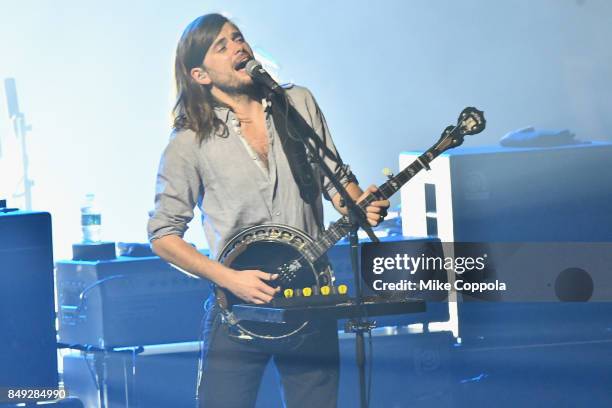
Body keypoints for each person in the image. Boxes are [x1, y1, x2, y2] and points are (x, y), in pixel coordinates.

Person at [147, 13, 390, 408]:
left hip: (311, 296)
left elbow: (335, 182)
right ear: (200, 75)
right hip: (238, 309)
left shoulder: (297, 104)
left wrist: (360, 203)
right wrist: (230, 278)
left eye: (237, 37)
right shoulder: (189, 141)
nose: (237, 47)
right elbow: (163, 236)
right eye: (220, 46)